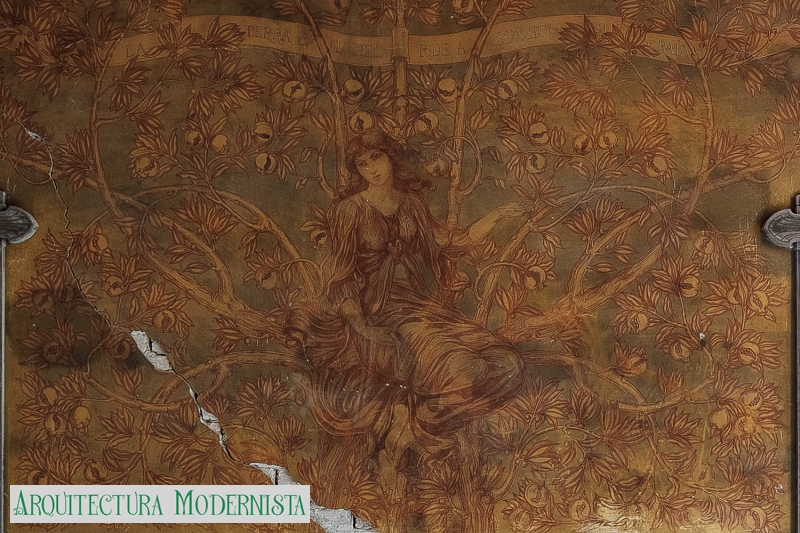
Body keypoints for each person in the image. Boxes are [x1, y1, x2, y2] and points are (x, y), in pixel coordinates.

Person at [286, 130, 527, 474]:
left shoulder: (412, 204)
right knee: (469, 370)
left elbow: (450, 244)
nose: (372, 168)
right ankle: (415, 431)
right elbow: (342, 279)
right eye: (362, 163)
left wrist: (498, 216)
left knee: (508, 365)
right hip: (380, 313)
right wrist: (362, 327)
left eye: (377, 157)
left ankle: (415, 423)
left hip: (423, 307)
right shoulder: (349, 211)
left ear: (390, 157)